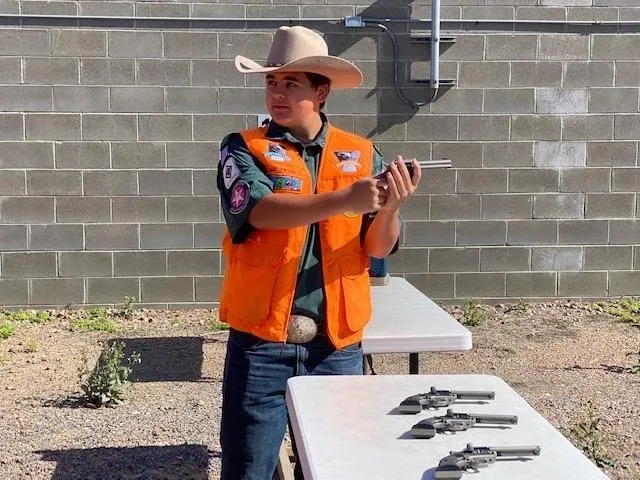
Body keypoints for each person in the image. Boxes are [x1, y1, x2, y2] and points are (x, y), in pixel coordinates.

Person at [216, 25, 422, 480]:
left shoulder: (362, 153)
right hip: (262, 343)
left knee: (339, 468)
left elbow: (377, 247)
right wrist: (346, 200)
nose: (277, 93)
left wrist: (391, 207)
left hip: (337, 347)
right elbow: (260, 211)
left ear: (322, 91)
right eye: (272, 82)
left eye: (291, 83)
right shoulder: (242, 148)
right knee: (248, 470)